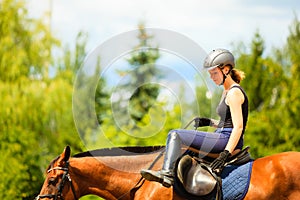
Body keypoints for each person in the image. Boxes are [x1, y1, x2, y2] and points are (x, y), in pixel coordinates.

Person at [140, 48, 249, 188]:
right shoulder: (226, 91)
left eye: (214, 73)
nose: (212, 77)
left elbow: (238, 127)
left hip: (227, 140)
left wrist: (225, 154)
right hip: (221, 135)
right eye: (210, 74)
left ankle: (167, 175)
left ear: (226, 69)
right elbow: (226, 123)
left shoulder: (234, 93)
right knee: (185, 150)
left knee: (176, 135)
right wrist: (209, 122)